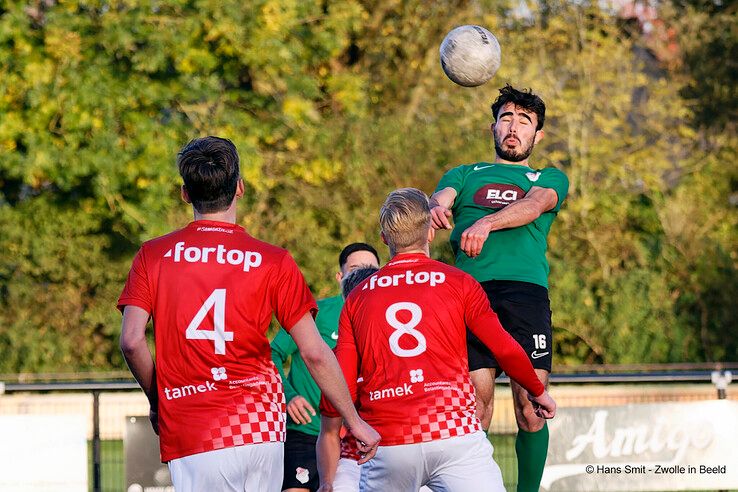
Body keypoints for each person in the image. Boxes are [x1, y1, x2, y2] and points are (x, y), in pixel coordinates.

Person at [117, 136, 379, 492]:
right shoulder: (274, 260)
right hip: (260, 422)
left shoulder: (153, 255)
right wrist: (354, 420)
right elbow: (315, 351)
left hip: (193, 423)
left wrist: (156, 400)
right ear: (239, 187)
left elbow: (132, 342)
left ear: (185, 193)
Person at [319, 188, 556, 492]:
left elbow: (342, 380)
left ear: (384, 238)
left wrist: (343, 422)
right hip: (453, 436)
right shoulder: (459, 282)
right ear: (430, 232)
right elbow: (505, 347)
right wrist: (538, 391)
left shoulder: (357, 298)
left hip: (391, 442)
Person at [429, 84, 569, 492]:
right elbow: (442, 196)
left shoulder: (547, 177)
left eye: (524, 121)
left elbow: (536, 204)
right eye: (506, 118)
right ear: (493, 126)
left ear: (537, 135)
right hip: (469, 294)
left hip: (525, 295)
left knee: (531, 408)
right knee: (477, 406)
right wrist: (436, 206)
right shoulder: (465, 172)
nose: (513, 127)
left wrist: (486, 223)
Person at [271, 244, 380, 492]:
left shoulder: (384, 317)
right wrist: (288, 396)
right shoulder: (316, 312)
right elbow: (271, 352)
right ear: (340, 277)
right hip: (309, 429)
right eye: (354, 270)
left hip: (360, 438)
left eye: (371, 270)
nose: (362, 276)